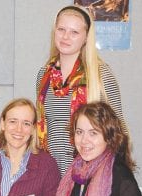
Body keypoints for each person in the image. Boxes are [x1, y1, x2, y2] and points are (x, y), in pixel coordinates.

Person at [36, 5, 128, 176]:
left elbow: (119, 130)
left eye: (74, 32)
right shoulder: (44, 75)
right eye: (61, 29)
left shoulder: (101, 75)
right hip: (50, 172)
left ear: (86, 38)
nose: (65, 37)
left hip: (90, 172)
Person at [55, 102, 142, 196]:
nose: (84, 140)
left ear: (109, 137)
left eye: (93, 133)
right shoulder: (77, 171)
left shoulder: (121, 178)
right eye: (79, 132)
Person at [0, 98, 60, 196]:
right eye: (13, 121)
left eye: (26, 123)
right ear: (3, 124)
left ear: (33, 129)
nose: (19, 129)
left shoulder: (47, 165)